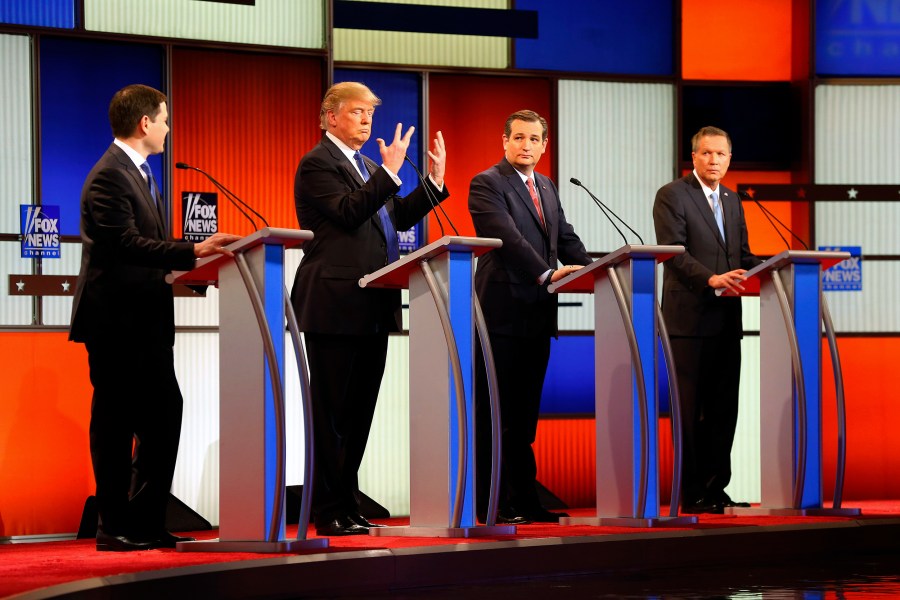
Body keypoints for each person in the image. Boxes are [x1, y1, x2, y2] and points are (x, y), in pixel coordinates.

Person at [69, 84, 240, 551]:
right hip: (116, 324)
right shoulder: (110, 176)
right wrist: (191, 250)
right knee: (116, 424)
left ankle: (144, 520)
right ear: (145, 123)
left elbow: (148, 256)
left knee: (165, 416)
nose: (167, 128)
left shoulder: (141, 174)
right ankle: (113, 526)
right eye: (164, 119)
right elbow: (123, 245)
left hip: (146, 322)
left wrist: (201, 272)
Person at [290, 81, 449, 536]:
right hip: (335, 304)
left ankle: (346, 501)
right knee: (333, 413)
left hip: (373, 303)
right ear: (330, 116)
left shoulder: (362, 165)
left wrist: (432, 183)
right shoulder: (318, 163)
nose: (366, 120)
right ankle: (327, 507)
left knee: (360, 413)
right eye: (358, 112)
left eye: (370, 114)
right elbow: (347, 213)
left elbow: (393, 216)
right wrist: (389, 171)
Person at [468, 109, 591, 524]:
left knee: (523, 418)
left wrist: (598, 268)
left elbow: (565, 236)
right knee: (493, 414)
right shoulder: (487, 183)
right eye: (518, 137)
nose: (526, 146)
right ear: (505, 141)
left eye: (534, 139)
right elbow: (507, 238)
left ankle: (524, 500)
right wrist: (547, 272)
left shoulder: (547, 185)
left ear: (544, 145)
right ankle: (491, 503)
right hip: (500, 314)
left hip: (537, 314)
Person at [652, 125, 762, 515]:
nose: (714, 160)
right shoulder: (672, 195)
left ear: (729, 160)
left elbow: (742, 255)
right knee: (689, 410)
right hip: (688, 321)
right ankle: (691, 491)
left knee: (722, 409)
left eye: (721, 154)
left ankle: (717, 488)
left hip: (727, 320)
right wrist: (710, 279)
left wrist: (773, 268)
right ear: (694, 157)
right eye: (707, 153)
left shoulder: (733, 200)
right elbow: (673, 253)